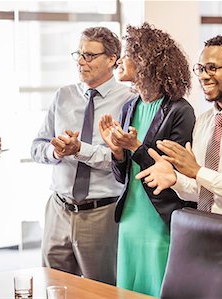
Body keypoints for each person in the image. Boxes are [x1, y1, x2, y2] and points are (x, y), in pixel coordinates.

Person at [98, 23, 196, 297]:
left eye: (128, 53)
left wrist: (137, 147)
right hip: (130, 217)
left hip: (160, 219)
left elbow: (173, 174)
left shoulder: (179, 111)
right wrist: (117, 152)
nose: (119, 59)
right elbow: (123, 175)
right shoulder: (129, 107)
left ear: (145, 61)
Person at [31, 27, 134, 285]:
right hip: (58, 210)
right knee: (53, 287)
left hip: (101, 214)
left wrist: (79, 150)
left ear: (112, 59)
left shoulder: (129, 101)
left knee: (100, 290)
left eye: (89, 55)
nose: (81, 61)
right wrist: (55, 151)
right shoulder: (63, 95)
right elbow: (36, 147)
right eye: (79, 54)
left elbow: (120, 159)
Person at [136, 35, 222, 219]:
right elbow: (202, 191)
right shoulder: (204, 121)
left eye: (212, 68)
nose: (203, 76)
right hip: (202, 228)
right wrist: (176, 180)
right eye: (200, 69)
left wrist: (198, 172)